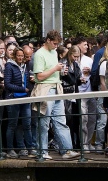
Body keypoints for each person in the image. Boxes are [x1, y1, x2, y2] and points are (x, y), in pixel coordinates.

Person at [32, 30, 78, 160]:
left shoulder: (53, 52)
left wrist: (61, 73)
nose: (56, 46)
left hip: (57, 88)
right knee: (44, 123)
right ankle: (42, 151)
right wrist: (55, 69)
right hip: (45, 90)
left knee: (61, 121)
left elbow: (52, 72)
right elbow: (39, 76)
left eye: (58, 44)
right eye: (55, 43)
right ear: (48, 40)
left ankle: (67, 150)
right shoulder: (39, 54)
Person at [4, 46, 33, 158]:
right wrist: (22, 89)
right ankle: (10, 149)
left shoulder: (25, 66)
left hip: (25, 98)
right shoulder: (9, 66)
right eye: (19, 56)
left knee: (27, 123)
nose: (21, 58)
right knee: (12, 124)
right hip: (13, 98)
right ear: (14, 56)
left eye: (22, 56)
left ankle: (29, 148)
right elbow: (7, 84)